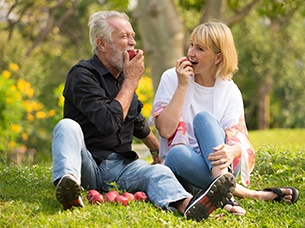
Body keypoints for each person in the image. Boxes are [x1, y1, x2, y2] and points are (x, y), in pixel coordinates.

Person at [51, 11, 237, 222]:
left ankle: (188, 206)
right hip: (88, 164)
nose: (133, 43)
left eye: (132, 36)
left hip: (122, 167)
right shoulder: (82, 75)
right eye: (124, 37)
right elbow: (108, 123)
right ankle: (68, 185)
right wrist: (131, 81)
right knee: (66, 126)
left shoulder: (123, 76)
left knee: (158, 172)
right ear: (102, 44)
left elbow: (137, 122)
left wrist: (157, 149)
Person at [150, 20, 299, 215]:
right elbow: (166, 130)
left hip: (222, 166)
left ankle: (222, 190)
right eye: (191, 44)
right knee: (176, 153)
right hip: (183, 166)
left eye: (200, 48)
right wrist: (182, 86)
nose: (191, 52)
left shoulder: (230, 90)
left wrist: (231, 151)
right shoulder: (172, 78)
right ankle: (248, 194)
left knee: (204, 119)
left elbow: (240, 142)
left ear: (218, 57)